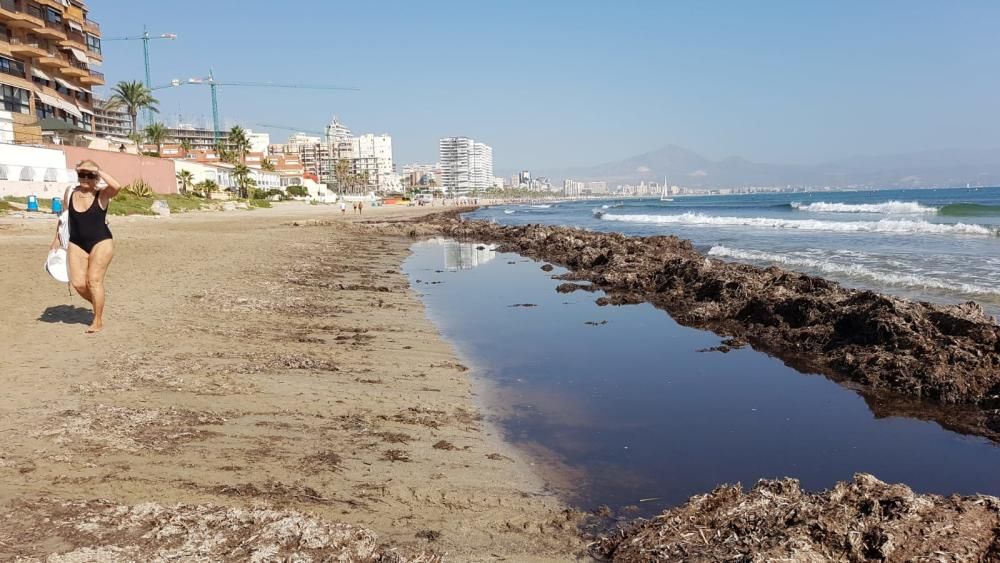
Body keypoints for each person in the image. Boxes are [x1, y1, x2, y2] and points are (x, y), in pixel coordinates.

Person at [49, 160, 122, 333]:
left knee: (93, 280)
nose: (86, 178)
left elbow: (117, 186)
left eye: (90, 175)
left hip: (101, 241)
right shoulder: (70, 192)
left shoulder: (102, 194)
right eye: (82, 174)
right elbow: (64, 218)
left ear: (96, 177)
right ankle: (98, 304)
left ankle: (97, 320)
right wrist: (57, 239)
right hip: (76, 242)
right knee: (79, 284)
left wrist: (98, 169)